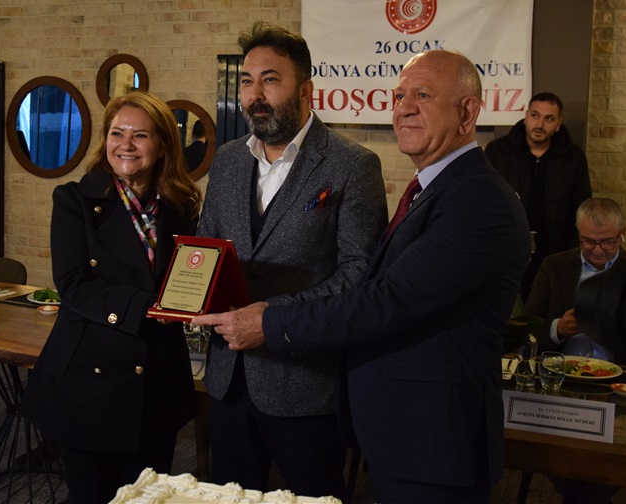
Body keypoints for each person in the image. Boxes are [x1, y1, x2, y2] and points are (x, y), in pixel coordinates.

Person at [195, 49, 531, 504]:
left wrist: (268, 323)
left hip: (432, 437)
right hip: (404, 433)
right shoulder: (434, 190)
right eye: (399, 96)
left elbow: (386, 299)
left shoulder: (477, 200)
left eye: (423, 95)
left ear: (468, 112)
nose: (404, 109)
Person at [196, 21, 387, 499]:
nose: (255, 95)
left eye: (270, 80)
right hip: (228, 378)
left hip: (305, 386)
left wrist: (271, 319)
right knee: (228, 498)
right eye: (247, 81)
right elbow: (206, 249)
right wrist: (188, 295)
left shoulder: (352, 164)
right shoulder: (227, 160)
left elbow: (358, 275)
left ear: (305, 90)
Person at [21, 92, 202, 504]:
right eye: (117, 133)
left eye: (140, 135)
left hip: (157, 379)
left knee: (148, 496)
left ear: (162, 146)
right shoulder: (75, 200)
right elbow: (74, 285)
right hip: (90, 384)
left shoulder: (181, 205)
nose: (126, 145)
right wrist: (149, 307)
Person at [524, 197, 626, 367]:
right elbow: (526, 328)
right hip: (560, 372)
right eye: (589, 241)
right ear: (578, 232)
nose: (598, 250)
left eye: (607, 242)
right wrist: (558, 329)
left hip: (620, 374)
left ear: (622, 233)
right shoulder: (554, 267)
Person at [484, 92, 592, 300]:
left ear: (558, 124)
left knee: (545, 308)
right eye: (535, 115)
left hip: (553, 250)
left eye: (549, 118)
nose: (540, 124)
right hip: (507, 250)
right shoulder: (499, 151)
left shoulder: (573, 157)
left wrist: (571, 252)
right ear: (526, 117)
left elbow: (581, 207)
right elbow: (485, 202)